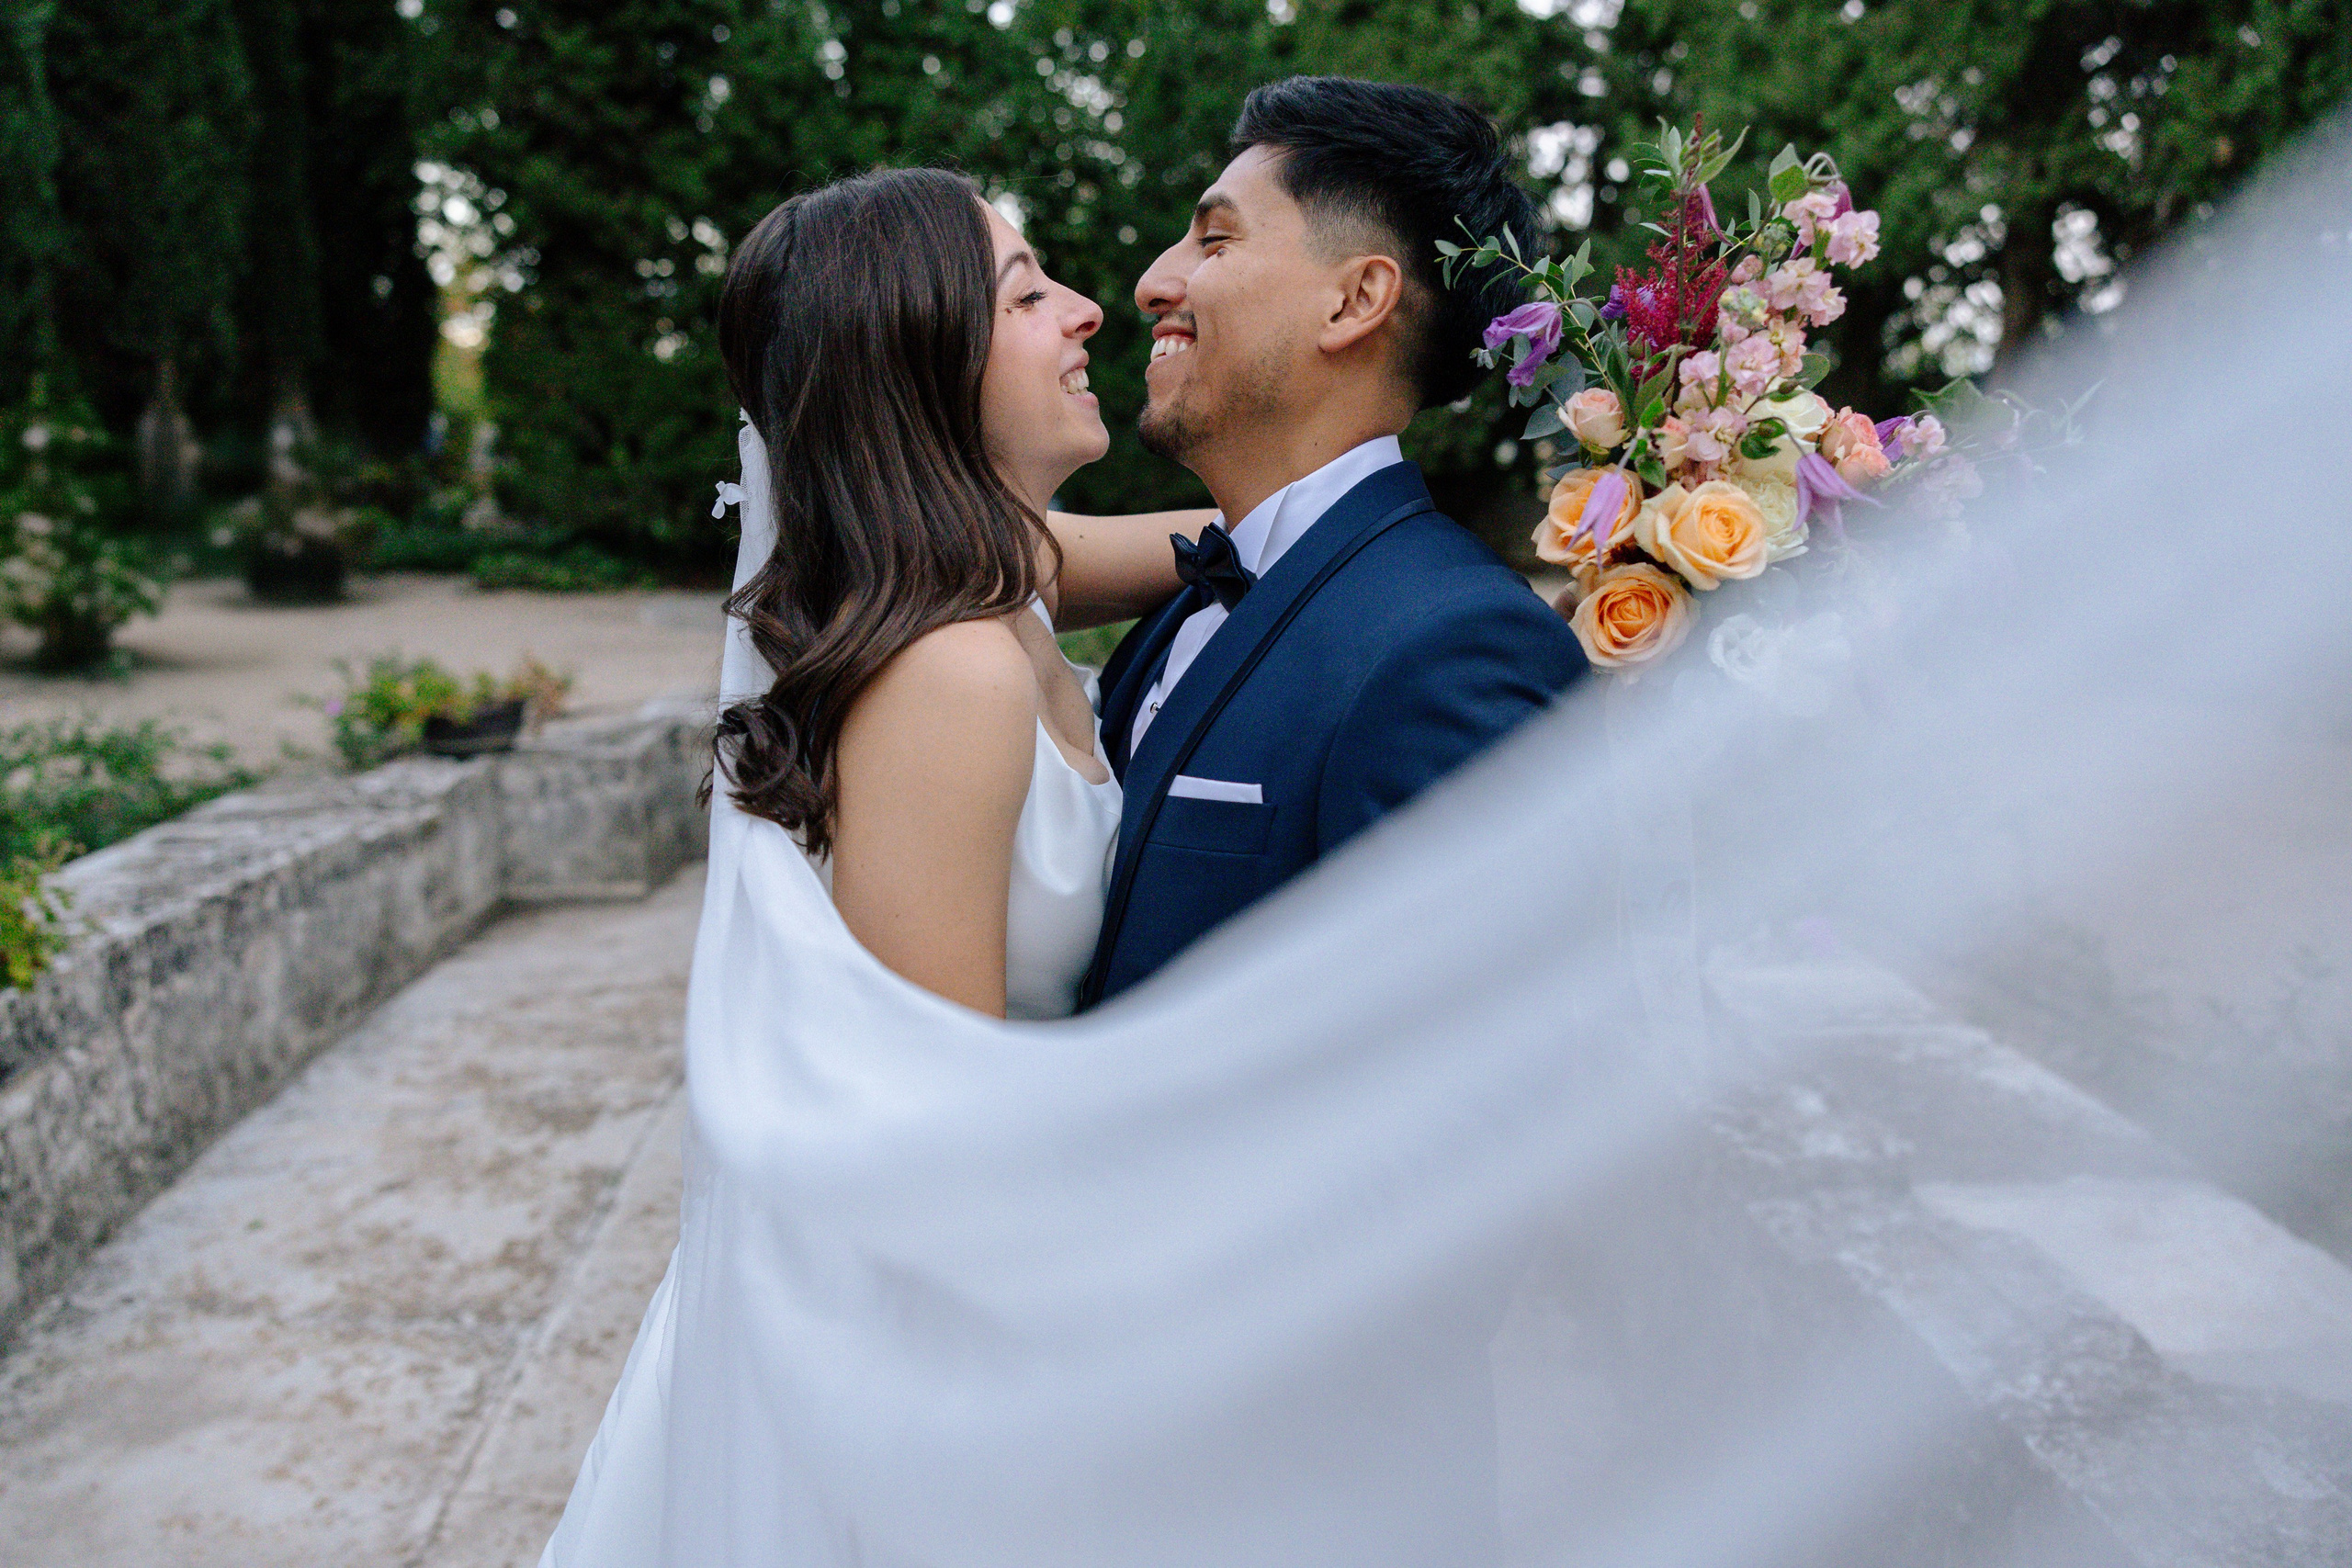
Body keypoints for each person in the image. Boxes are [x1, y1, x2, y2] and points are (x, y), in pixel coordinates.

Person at [1081, 76, 1588, 1007]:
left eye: (1215, 240)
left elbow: (1471, 1051)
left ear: (1354, 300)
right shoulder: (1182, 596)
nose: (1153, 282)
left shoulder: (1458, 646)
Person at [707, 165, 1209, 1022]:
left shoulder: (997, 568)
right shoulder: (951, 670)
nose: (1087, 309)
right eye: (1026, 296)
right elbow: (931, 1086)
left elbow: (1242, 532)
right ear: (920, 366)